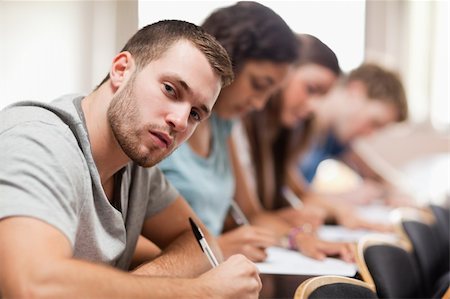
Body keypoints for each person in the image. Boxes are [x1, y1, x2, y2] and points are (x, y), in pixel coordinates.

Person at [0, 20, 262, 298]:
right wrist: (200, 291)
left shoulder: (135, 163)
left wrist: (136, 288)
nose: (180, 121)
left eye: (196, 113)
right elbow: (32, 286)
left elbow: (200, 242)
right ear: (122, 69)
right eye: (170, 90)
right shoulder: (39, 141)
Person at [157, 1, 299, 262]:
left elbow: (251, 214)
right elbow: (130, 240)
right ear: (228, 60)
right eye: (258, 85)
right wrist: (217, 247)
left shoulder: (223, 123)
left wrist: (296, 238)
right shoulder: (164, 124)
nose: (259, 104)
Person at [232, 34, 356, 260]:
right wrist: (297, 235)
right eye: (311, 89)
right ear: (283, 74)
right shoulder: (236, 126)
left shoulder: (277, 136)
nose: (315, 107)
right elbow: (251, 214)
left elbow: (300, 194)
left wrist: (336, 213)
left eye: (322, 96)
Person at [298, 62, 411, 208]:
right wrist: (341, 198)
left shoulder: (333, 138)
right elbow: (281, 198)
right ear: (355, 91)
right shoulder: (297, 122)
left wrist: (395, 192)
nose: (370, 134)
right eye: (374, 122)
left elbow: (374, 175)